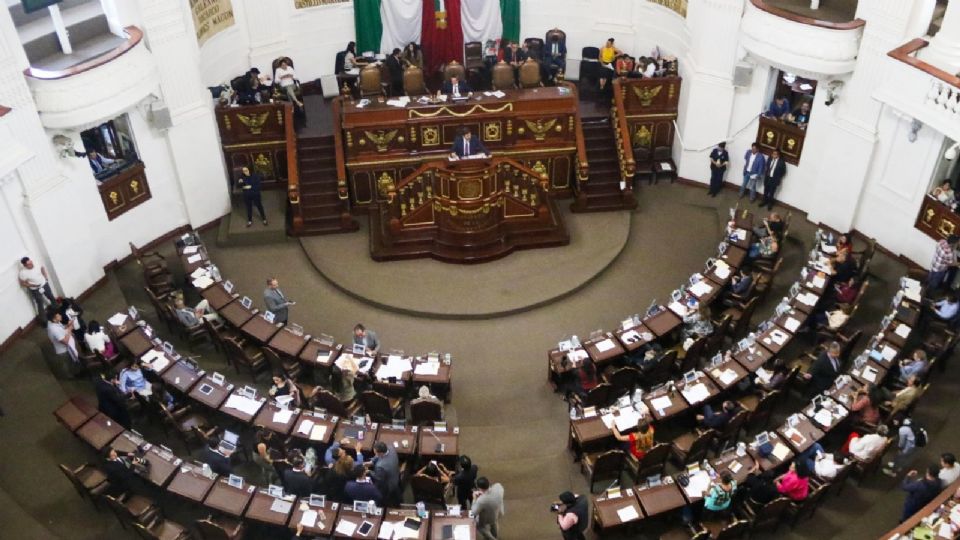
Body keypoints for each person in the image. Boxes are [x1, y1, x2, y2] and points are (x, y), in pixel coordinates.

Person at [369, 441, 399, 506]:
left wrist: (369, 471)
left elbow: (379, 478)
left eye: (375, 453)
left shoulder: (380, 466)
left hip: (388, 485)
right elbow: (377, 456)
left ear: (381, 453)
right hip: (395, 476)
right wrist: (372, 461)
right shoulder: (390, 448)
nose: (375, 454)